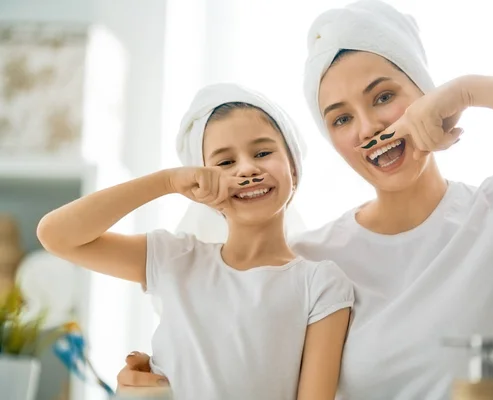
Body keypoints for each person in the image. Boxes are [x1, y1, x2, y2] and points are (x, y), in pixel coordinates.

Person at [117, 1, 493, 398]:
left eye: (383, 96)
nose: (369, 127)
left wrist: (469, 91)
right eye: (341, 119)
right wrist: (155, 381)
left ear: (426, 93)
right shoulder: (310, 265)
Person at [37, 83, 354, 400]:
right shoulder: (174, 258)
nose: (247, 169)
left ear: (294, 169)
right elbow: (56, 236)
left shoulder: (320, 283)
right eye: (225, 163)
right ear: (202, 185)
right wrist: (168, 181)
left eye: (262, 152)